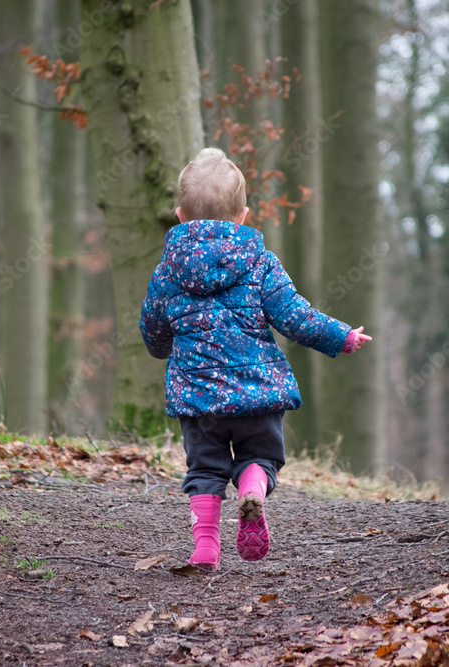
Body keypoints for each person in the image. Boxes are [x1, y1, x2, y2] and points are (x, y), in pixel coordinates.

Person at [139, 148, 371, 570]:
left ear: (178, 214)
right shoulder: (261, 263)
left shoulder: (167, 271)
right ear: (243, 215)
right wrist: (341, 337)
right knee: (260, 457)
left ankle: (206, 550)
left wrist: (161, 349)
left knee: (205, 472)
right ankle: (252, 487)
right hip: (256, 393)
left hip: (198, 398)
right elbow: (295, 316)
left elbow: (153, 327)